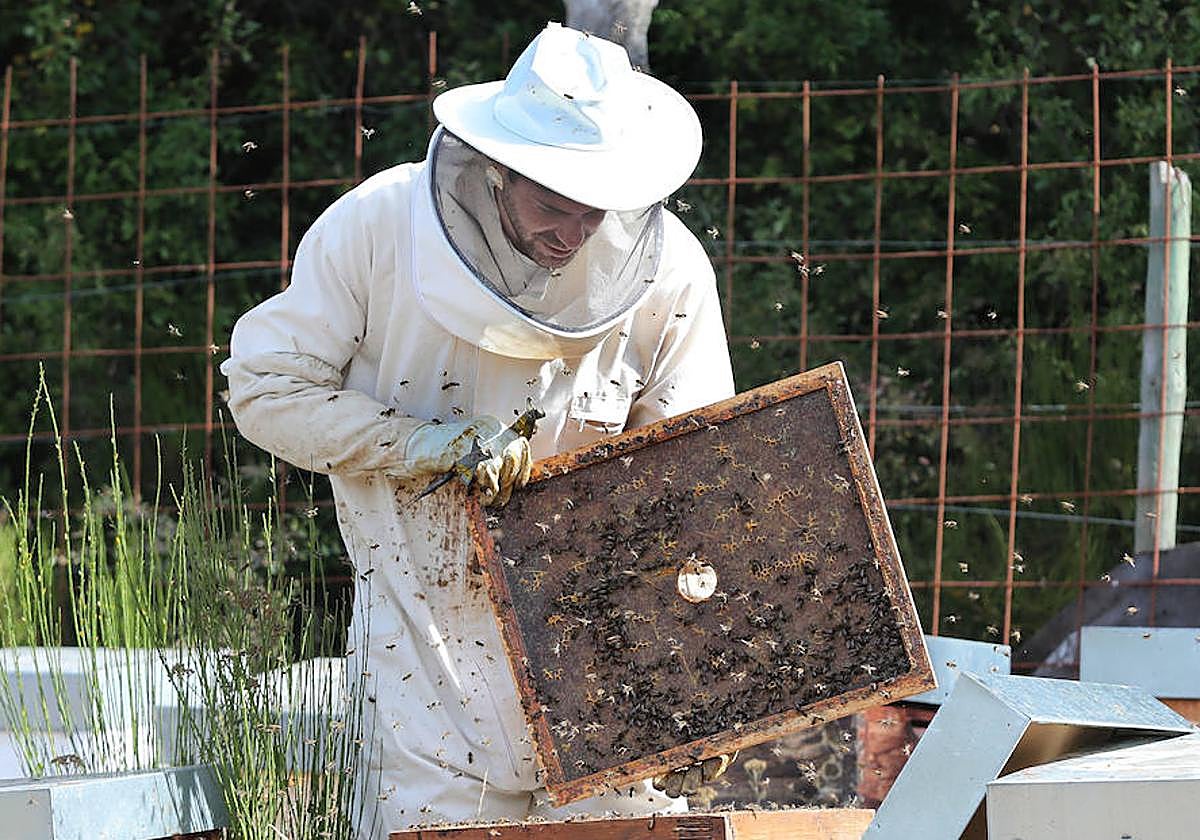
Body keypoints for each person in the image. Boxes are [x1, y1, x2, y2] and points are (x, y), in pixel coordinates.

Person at [220, 21, 735, 838]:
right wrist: (419, 446)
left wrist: (706, 673)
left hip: (611, 658)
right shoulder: (376, 227)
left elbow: (698, 481)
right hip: (421, 652)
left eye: (596, 214)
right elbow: (263, 389)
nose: (572, 235)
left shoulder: (670, 272)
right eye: (552, 207)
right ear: (496, 171)